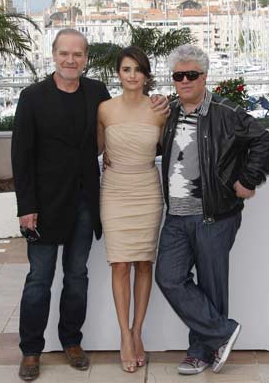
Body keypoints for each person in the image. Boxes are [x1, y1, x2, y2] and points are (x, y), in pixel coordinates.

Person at [12, 30, 168, 381]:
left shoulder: (97, 94)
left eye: (78, 54)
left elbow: (123, 122)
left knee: (77, 276)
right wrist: (26, 206)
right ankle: (31, 350)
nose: (71, 60)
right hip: (44, 205)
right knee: (39, 278)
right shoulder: (32, 96)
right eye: (65, 53)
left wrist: (158, 105)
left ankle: (71, 342)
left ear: (85, 58)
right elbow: (20, 156)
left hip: (85, 202)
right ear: (53, 55)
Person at [155, 44, 269, 375]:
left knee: (211, 285)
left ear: (204, 76)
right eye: (178, 76)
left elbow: (263, 141)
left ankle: (200, 353)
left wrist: (248, 180)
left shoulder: (225, 111)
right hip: (176, 216)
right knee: (168, 276)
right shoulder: (171, 112)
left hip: (214, 215)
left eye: (191, 75)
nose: (184, 81)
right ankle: (222, 332)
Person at [97, 46, 166, 373]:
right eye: (127, 69)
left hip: (147, 191)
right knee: (120, 264)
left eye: (138, 69)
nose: (133, 75)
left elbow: (170, 149)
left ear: (146, 75)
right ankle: (124, 335)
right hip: (114, 191)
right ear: (119, 74)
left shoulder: (160, 110)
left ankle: (138, 332)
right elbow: (97, 150)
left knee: (143, 262)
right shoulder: (104, 110)